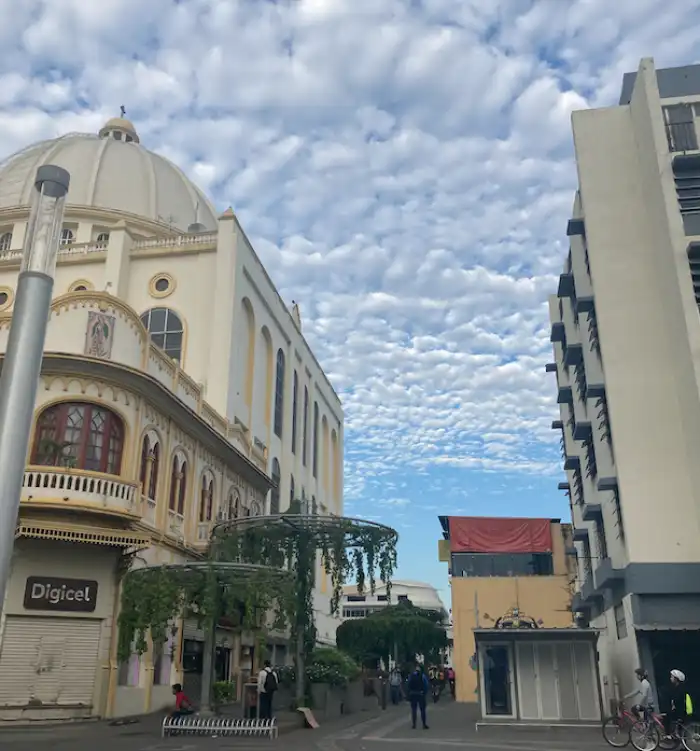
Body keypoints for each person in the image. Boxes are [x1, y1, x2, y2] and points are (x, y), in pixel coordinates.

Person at [664, 669, 693, 737]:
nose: (670, 678)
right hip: (682, 711)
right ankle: (679, 740)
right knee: (680, 729)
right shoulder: (680, 687)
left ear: (676, 679)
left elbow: (677, 700)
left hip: (681, 712)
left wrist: (673, 705)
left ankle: (668, 735)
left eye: (672, 677)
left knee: (666, 717)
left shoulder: (679, 689)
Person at [407, 663, 430, 730]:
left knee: (414, 710)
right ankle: (424, 724)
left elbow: (408, 684)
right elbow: (426, 685)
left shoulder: (411, 676)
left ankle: (414, 724)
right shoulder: (422, 676)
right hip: (420, 694)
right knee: (422, 710)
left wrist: (409, 693)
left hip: (413, 694)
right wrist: (424, 693)